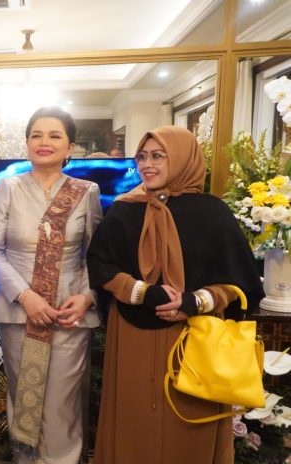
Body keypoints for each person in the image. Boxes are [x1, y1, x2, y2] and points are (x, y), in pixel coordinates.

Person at [86, 126, 264, 464]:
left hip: (195, 339)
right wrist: (141, 292)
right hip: (133, 337)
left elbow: (241, 282)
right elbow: (100, 265)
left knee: (191, 423)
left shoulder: (212, 214)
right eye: (142, 156)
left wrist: (194, 302)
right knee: (133, 419)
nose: (147, 165)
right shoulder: (125, 210)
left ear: (183, 158)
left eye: (158, 156)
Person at [0, 107, 102, 463]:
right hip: (21, 315)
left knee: (62, 405)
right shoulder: (8, 187)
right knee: (25, 401)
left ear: (70, 147)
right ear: (27, 143)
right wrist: (25, 296)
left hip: (68, 315)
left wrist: (86, 297)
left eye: (54, 136)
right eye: (36, 135)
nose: (44, 142)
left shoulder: (86, 192)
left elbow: (95, 255)